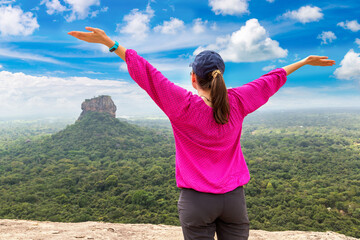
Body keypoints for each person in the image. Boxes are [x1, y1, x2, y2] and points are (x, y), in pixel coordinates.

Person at [68, 27, 336, 240]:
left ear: (193, 78)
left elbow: (148, 74)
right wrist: (303, 61)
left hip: (196, 202)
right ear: (221, 76)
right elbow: (269, 81)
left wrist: (111, 44)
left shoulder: (182, 105)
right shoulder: (238, 101)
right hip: (233, 200)